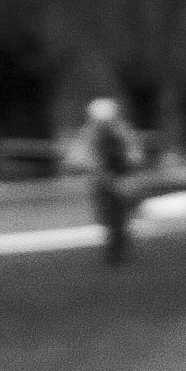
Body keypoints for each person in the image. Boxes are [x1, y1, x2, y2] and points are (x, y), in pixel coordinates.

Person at [68, 95, 141, 266]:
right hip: (103, 183)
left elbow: (134, 156)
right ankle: (115, 249)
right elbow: (79, 158)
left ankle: (118, 250)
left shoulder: (122, 132)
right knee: (109, 218)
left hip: (121, 181)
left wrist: (122, 174)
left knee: (120, 218)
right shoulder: (89, 134)